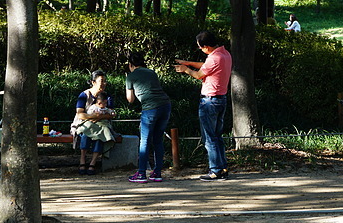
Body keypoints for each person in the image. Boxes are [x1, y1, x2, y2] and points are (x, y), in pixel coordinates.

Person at [174, 30, 232, 181]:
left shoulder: (214, 59)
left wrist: (186, 69)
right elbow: (206, 66)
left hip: (209, 101)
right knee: (217, 136)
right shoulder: (224, 54)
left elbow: (199, 74)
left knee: (209, 137)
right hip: (221, 100)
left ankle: (215, 170)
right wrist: (189, 63)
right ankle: (223, 168)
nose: (200, 49)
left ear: (206, 47)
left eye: (200, 47)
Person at [125, 51, 172, 184]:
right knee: (158, 140)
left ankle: (141, 173)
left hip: (150, 108)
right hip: (165, 105)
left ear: (130, 64)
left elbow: (130, 99)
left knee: (144, 141)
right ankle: (157, 172)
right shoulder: (151, 72)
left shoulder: (131, 76)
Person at [71, 70, 116, 175]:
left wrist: (99, 117)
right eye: (101, 81)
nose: (104, 84)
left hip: (102, 124)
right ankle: (82, 160)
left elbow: (111, 114)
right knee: (86, 132)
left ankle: (93, 163)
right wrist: (92, 117)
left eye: (105, 81)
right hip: (85, 122)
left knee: (101, 134)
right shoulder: (84, 95)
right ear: (93, 82)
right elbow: (80, 114)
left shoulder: (107, 96)